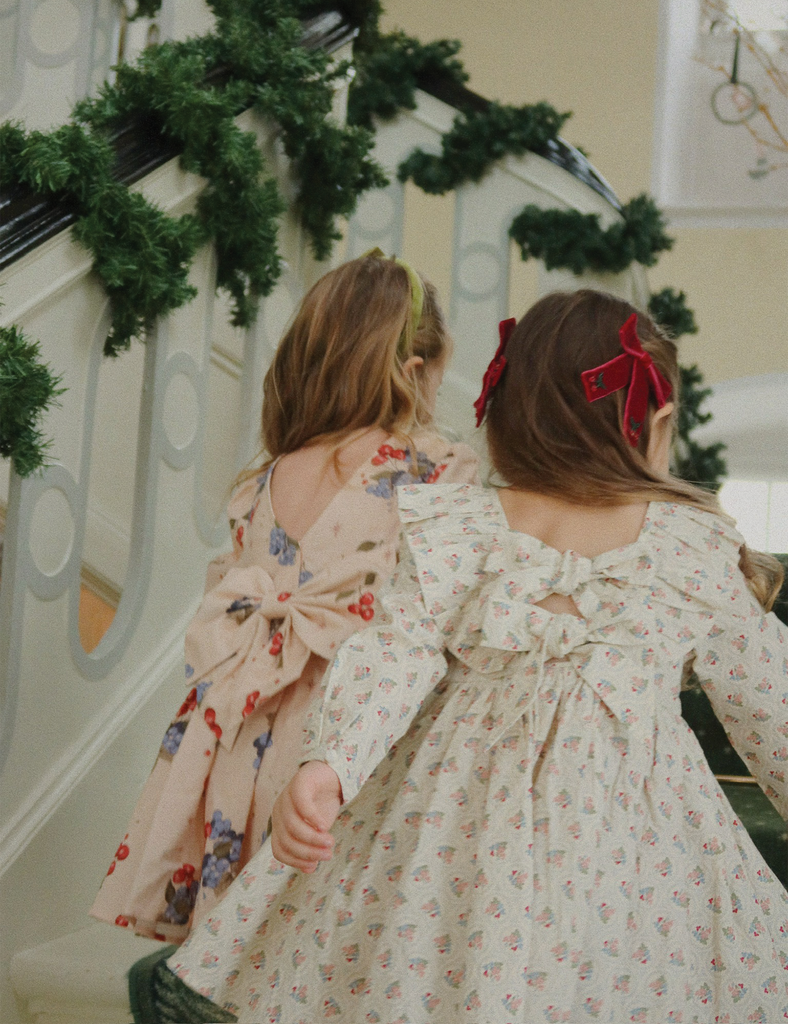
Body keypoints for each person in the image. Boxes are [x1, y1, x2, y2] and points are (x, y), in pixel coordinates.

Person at [168, 288, 788, 1023]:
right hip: (613, 865)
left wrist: (327, 768)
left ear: (504, 411)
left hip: (462, 848)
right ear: (655, 424)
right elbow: (771, 708)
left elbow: (387, 658)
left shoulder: (466, 524)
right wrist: (327, 764)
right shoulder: (684, 545)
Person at [90, 251, 479, 944]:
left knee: (248, 945)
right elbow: (443, 613)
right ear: (416, 370)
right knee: (336, 941)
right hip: (349, 734)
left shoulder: (268, 475)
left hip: (247, 736)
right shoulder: (433, 471)